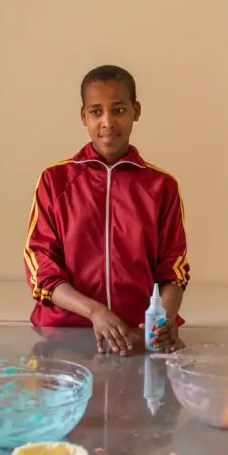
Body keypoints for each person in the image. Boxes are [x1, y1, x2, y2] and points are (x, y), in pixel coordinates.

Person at [23, 65, 189, 356]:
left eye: (119, 110)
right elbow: (41, 266)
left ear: (136, 111)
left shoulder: (162, 186)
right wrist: (95, 311)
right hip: (65, 338)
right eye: (97, 112)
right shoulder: (55, 181)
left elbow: (173, 269)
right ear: (83, 116)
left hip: (137, 338)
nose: (108, 122)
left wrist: (161, 322)